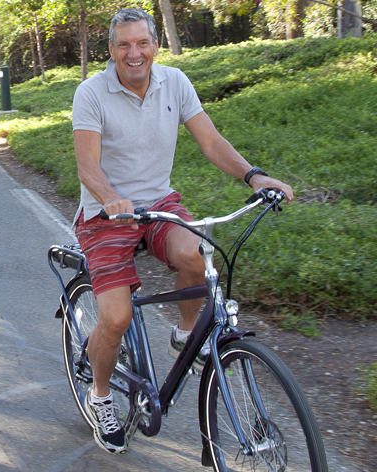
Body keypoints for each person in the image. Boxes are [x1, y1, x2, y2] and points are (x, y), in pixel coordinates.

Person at [71, 8, 294, 454]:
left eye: (142, 43)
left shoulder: (176, 82)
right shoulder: (91, 92)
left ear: (154, 44)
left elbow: (210, 141)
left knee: (198, 253)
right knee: (116, 318)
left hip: (158, 204)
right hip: (106, 214)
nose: (134, 53)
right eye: (123, 45)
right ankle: (100, 398)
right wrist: (112, 198)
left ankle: (184, 335)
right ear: (111, 50)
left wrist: (254, 176)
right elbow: (87, 164)